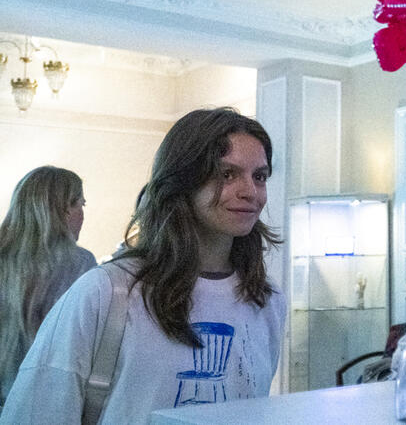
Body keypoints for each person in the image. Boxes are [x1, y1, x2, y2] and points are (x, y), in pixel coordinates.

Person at [1, 108, 286, 423]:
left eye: (259, 176)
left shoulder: (267, 302)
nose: (250, 192)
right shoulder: (107, 291)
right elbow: (38, 413)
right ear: (183, 180)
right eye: (227, 174)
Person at [0, 166, 96, 405]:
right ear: (65, 209)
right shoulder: (81, 264)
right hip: (49, 401)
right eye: (81, 204)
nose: (83, 215)